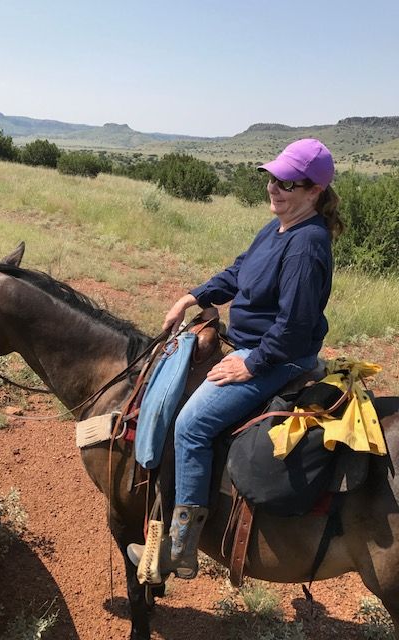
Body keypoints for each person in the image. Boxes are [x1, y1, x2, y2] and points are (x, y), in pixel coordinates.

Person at [128, 138, 344, 580]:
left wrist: (251, 363)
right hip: (254, 345)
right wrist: (191, 297)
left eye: (288, 182)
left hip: (278, 357)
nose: (274, 187)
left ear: (313, 191)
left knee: (192, 425)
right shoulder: (278, 227)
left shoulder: (306, 245)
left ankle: (182, 548)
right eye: (272, 177)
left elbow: (294, 327)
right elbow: (237, 272)